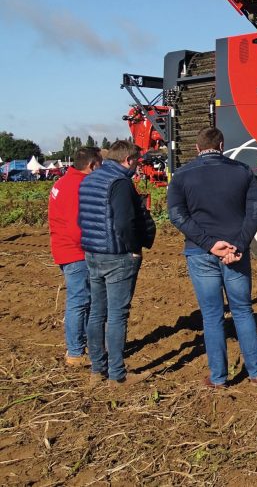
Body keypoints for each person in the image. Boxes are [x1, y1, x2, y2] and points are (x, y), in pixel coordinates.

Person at [167, 127, 257, 389]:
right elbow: (255, 212)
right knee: (243, 310)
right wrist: (239, 245)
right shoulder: (242, 171)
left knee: (212, 316)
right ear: (222, 145)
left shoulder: (182, 175)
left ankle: (219, 378)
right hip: (236, 253)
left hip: (201, 252)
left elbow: (177, 215)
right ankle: (256, 373)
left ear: (198, 149)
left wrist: (210, 244)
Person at [79, 140, 155, 386]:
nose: (136, 167)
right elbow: (124, 222)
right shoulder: (120, 183)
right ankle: (116, 374)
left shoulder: (90, 179)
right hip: (116, 255)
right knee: (117, 315)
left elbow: (85, 216)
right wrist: (133, 249)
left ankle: (96, 370)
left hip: (92, 252)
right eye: (136, 162)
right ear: (128, 160)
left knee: (96, 312)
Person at [48, 146, 103, 367]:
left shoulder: (63, 182)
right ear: (92, 165)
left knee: (83, 300)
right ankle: (75, 352)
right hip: (75, 252)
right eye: (100, 164)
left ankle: (82, 345)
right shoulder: (77, 186)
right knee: (79, 300)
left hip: (65, 249)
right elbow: (76, 228)